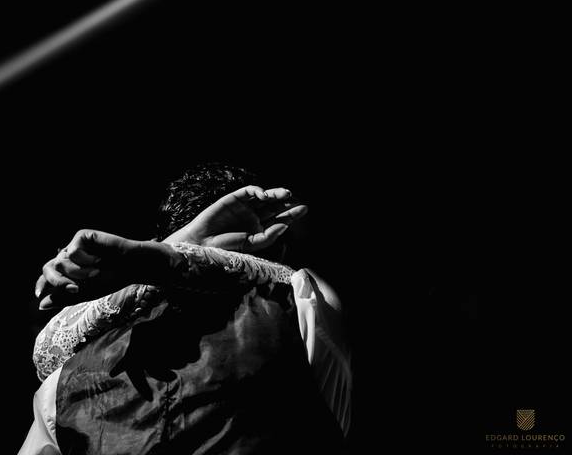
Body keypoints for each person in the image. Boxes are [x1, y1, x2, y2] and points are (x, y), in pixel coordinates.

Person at [19, 164, 351, 454]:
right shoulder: (301, 307)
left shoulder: (64, 381)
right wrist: (175, 252)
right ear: (278, 247)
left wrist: (170, 249)